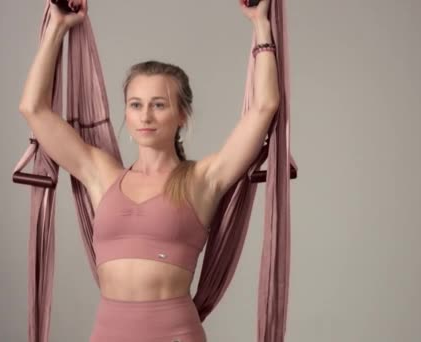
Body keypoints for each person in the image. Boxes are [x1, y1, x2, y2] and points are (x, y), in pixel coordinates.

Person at [18, 0, 280, 340]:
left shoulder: (202, 179)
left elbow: (264, 107)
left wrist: (261, 24)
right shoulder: (103, 175)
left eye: (159, 105)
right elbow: (33, 109)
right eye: (136, 105)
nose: (145, 116)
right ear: (125, 114)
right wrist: (57, 26)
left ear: (182, 115)